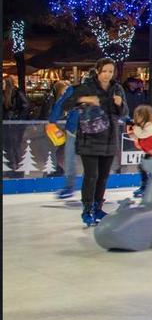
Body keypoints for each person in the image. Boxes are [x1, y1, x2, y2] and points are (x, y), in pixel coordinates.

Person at [74, 58, 128, 227]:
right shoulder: (87, 86)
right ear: (98, 71)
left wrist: (120, 104)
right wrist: (86, 101)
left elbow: (124, 112)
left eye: (110, 71)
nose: (107, 74)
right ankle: (87, 209)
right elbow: (72, 102)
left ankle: (98, 208)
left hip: (109, 138)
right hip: (89, 138)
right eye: (104, 71)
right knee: (91, 176)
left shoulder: (117, 88)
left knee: (103, 177)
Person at [47, 80, 81, 199]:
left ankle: (71, 187)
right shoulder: (74, 90)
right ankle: (69, 187)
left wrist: (52, 121)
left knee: (74, 158)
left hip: (89, 129)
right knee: (69, 157)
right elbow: (60, 104)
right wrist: (52, 121)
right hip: (75, 129)